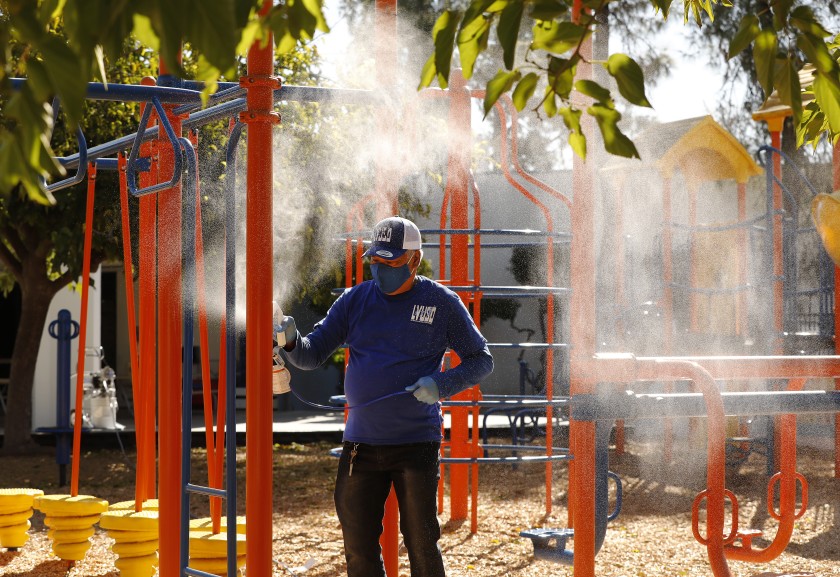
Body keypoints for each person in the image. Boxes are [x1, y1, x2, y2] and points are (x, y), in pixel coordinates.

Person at [276, 215, 493, 577]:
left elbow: (481, 359)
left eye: (390, 262)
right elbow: (312, 355)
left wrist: (442, 385)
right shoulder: (354, 300)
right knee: (358, 551)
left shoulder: (441, 302)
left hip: (417, 444)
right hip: (360, 446)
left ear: (414, 258)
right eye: (375, 261)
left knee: (422, 545)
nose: (380, 270)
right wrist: (293, 340)